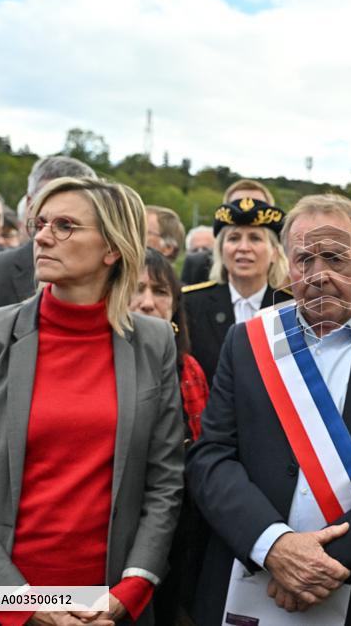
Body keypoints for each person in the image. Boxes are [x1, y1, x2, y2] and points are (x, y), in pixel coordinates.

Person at [187, 193, 351, 625]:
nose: (318, 274)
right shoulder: (247, 343)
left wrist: (327, 562)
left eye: (334, 258)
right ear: (288, 266)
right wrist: (274, 547)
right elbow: (211, 456)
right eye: (304, 259)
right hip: (250, 581)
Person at [0, 176, 183, 626]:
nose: (41, 236)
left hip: (109, 606)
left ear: (111, 249)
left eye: (65, 225)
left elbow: (165, 481)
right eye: (40, 223)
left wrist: (132, 588)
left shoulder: (153, 341)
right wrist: (29, 606)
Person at [129, 247, 209, 625]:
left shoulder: (190, 368)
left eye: (160, 292)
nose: (148, 303)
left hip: (179, 527)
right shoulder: (99, 361)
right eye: (137, 288)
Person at [0, 156, 96, 336]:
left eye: (67, 219)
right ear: (29, 204)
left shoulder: (111, 278)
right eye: (48, 200)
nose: (58, 211)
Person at [183, 197, 292, 386]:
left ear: (274, 252)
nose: (243, 248)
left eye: (255, 238)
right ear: (220, 251)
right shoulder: (191, 303)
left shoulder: (291, 307)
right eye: (234, 238)